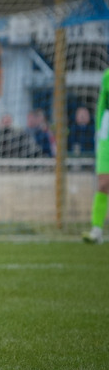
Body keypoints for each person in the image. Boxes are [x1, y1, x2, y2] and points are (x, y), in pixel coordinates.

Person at [83, 68, 109, 244]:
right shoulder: (107, 75)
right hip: (107, 132)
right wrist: (99, 130)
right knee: (103, 182)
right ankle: (97, 230)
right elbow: (102, 102)